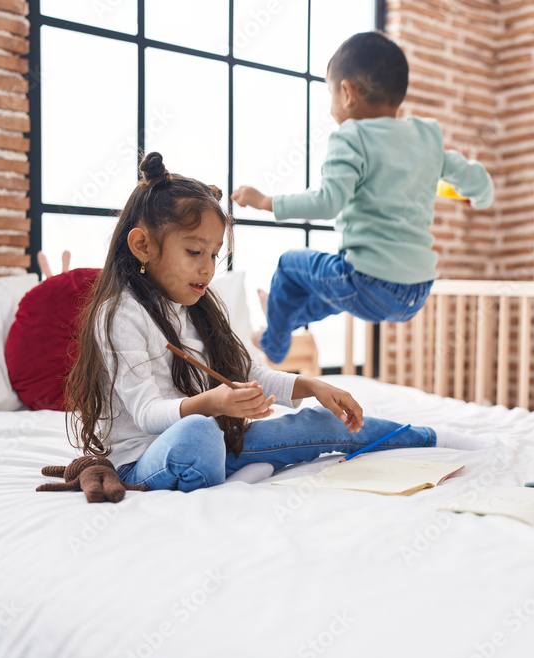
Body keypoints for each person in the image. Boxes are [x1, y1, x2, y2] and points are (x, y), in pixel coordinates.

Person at [64, 152, 485, 492]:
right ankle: (229, 478)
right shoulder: (120, 314)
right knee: (198, 433)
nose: (208, 268)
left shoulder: (197, 304)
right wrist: (212, 404)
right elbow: (146, 414)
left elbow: (245, 372)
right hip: (149, 458)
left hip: (217, 443)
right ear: (142, 245)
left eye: (214, 254)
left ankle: (426, 437)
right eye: (195, 252)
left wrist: (312, 385)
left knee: (321, 422)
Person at [231, 31, 494, 364]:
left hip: (367, 280)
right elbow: (475, 179)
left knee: (288, 265)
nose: (331, 108)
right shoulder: (427, 136)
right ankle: (281, 317)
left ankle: (274, 342)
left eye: (330, 94)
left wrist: (265, 201)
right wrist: (481, 197)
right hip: (415, 291)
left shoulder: (352, 136)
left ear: (346, 92)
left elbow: (328, 202)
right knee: (330, 295)